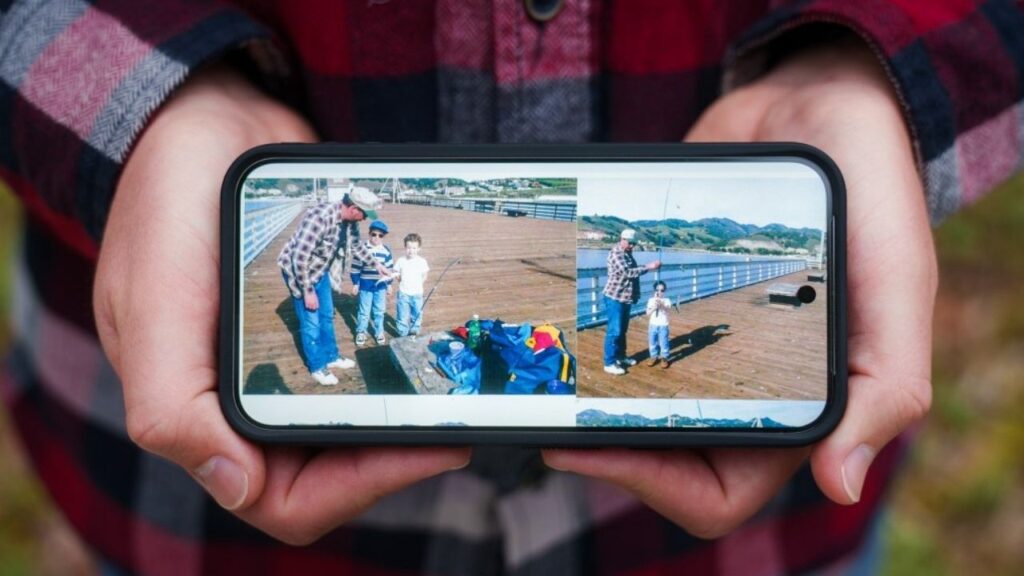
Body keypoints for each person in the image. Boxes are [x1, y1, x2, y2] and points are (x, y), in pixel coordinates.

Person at [1, 1, 1021, 574]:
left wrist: (863, 72)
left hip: (757, 547)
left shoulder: (387, 240)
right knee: (342, 330)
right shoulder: (336, 236)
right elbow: (350, 273)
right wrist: (140, 106)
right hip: (198, 533)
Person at [277, 191, 383, 384]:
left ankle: (331, 356)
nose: (366, 219)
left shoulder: (350, 222)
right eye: (365, 214)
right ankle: (317, 366)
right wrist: (307, 291)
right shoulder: (319, 218)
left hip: (319, 269)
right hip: (298, 271)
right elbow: (299, 259)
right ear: (353, 209)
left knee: (326, 314)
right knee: (311, 322)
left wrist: (377, 265)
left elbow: (357, 246)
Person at [603, 228, 661, 375]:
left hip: (625, 298)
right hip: (614, 297)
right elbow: (628, 272)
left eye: (634, 243)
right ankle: (609, 363)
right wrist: (649, 267)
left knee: (622, 331)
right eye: (630, 243)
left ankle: (621, 356)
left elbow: (633, 271)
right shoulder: (616, 253)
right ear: (622, 239)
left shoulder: (628, 253)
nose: (632, 246)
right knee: (614, 331)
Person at [351, 220, 395, 346]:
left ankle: (379, 331)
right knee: (364, 311)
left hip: (380, 287)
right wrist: (355, 283)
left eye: (380, 235)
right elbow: (355, 268)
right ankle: (361, 331)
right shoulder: (362, 249)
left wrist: (389, 284)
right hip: (365, 285)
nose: (376, 238)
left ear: (383, 237)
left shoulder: (386, 251)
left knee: (379, 311)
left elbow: (389, 269)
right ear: (369, 234)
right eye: (374, 234)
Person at [394, 233, 430, 337]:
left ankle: (414, 331)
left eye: (414, 248)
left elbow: (425, 274)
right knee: (402, 315)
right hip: (403, 293)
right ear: (405, 247)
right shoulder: (401, 260)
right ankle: (403, 333)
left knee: (417, 314)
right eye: (409, 247)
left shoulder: (422, 261)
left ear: (419, 248)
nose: (411, 250)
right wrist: (399, 278)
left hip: (417, 294)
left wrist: (420, 283)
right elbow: (396, 272)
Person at [646, 280, 672, 368]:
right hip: (653, 324)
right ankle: (653, 356)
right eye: (657, 290)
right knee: (652, 341)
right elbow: (648, 313)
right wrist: (655, 306)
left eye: (662, 290)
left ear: (664, 291)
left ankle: (664, 357)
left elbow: (668, 310)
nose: (659, 292)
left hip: (663, 325)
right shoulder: (651, 300)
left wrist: (662, 305)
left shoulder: (667, 300)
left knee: (664, 342)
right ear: (654, 291)